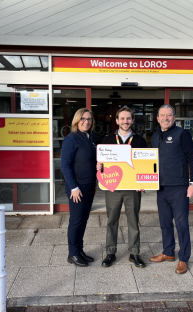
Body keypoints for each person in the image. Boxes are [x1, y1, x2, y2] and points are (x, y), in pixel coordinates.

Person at [150, 104, 193, 274]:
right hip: (161, 188)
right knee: (165, 223)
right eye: (162, 115)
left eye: (169, 115)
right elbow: (151, 163)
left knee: (181, 224)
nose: (165, 118)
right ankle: (168, 252)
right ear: (157, 118)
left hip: (179, 188)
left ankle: (184, 258)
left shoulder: (182, 134)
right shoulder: (155, 137)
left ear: (174, 117)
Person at [97, 107, 147, 268]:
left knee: (133, 220)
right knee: (112, 220)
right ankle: (110, 253)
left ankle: (134, 253)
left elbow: (145, 165)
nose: (125, 121)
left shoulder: (140, 141)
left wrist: (143, 183)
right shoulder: (108, 140)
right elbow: (103, 165)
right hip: (113, 187)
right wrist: (100, 166)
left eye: (128, 118)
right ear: (117, 120)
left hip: (133, 188)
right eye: (122, 118)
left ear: (132, 120)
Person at [61, 108, 97, 267]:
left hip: (89, 185)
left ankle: (79, 250)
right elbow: (65, 165)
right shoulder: (71, 139)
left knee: (84, 219)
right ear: (77, 120)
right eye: (83, 118)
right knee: (76, 221)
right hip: (77, 187)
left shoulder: (91, 137)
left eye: (89, 119)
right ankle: (72, 254)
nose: (86, 121)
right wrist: (74, 187)